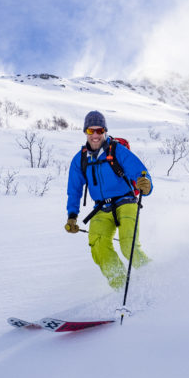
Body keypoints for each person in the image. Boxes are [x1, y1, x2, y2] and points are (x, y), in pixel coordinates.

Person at [65, 110, 152, 290]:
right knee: (98, 248)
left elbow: (141, 172)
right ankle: (122, 288)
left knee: (128, 245)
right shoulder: (80, 159)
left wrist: (146, 184)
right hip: (101, 208)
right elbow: (74, 190)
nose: (95, 135)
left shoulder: (117, 151)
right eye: (91, 131)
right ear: (85, 132)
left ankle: (155, 280)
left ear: (105, 131)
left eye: (99, 131)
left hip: (125, 202)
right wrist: (72, 216)